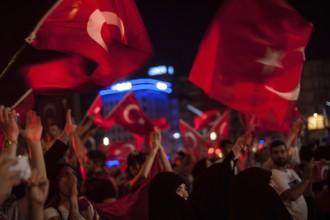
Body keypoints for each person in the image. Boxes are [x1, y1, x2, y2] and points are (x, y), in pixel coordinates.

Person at [270, 140, 313, 220]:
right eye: (275, 153)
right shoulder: (272, 175)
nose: (280, 155)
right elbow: (292, 196)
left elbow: (307, 192)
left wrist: (309, 175)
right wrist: (306, 179)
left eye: (282, 151)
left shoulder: (291, 172)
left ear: (287, 153)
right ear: (271, 156)